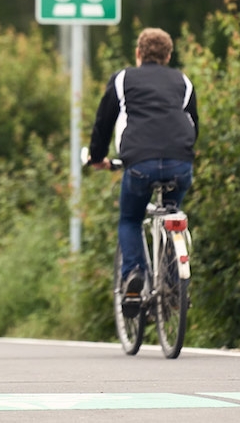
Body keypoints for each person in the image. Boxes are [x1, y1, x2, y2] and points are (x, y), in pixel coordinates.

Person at [85, 27, 199, 308]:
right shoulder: (183, 81)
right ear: (169, 55)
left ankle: (134, 276)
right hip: (180, 163)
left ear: (138, 53)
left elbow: (104, 122)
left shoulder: (123, 78)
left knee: (130, 219)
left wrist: (98, 157)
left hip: (140, 165)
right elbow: (193, 125)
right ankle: (174, 285)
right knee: (172, 210)